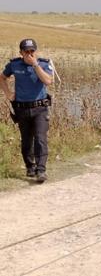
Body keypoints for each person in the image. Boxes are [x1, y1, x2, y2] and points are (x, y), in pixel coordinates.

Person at [0, 39, 54, 182]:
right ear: (21, 52)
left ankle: (41, 170)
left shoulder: (43, 63)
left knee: (40, 138)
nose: (30, 54)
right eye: (26, 51)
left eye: (32, 51)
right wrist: (8, 94)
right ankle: (30, 167)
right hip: (22, 109)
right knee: (26, 140)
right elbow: (2, 78)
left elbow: (48, 81)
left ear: (35, 51)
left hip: (40, 108)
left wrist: (35, 65)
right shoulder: (15, 64)